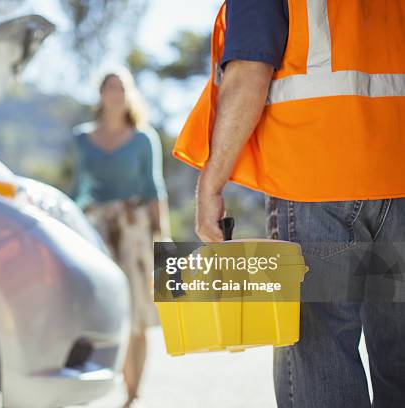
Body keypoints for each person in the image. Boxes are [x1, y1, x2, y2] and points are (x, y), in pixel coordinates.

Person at [174, 1, 405, 407]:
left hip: (316, 180)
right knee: (399, 352)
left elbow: (249, 73)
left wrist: (211, 183)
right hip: (397, 174)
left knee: (321, 349)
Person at [71, 68, 171, 408]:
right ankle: (105, 382)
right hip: (97, 230)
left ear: (129, 94)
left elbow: (154, 187)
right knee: (103, 309)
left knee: (138, 311)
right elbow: (80, 188)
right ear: (100, 94)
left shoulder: (144, 138)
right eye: (110, 87)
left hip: (135, 230)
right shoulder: (82, 138)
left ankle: (132, 392)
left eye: (122, 87)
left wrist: (165, 240)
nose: (116, 93)